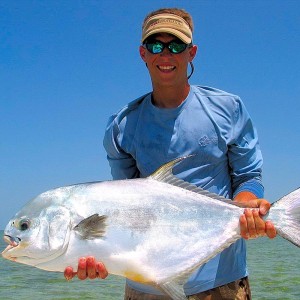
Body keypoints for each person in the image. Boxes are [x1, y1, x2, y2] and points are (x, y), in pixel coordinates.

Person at [64, 8, 276, 299]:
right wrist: (92, 256)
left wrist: (244, 211)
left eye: (176, 45)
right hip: (147, 284)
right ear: (142, 53)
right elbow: (123, 207)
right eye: (155, 45)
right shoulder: (121, 127)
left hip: (220, 280)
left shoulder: (228, 109)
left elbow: (249, 176)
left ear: (192, 53)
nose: (166, 54)